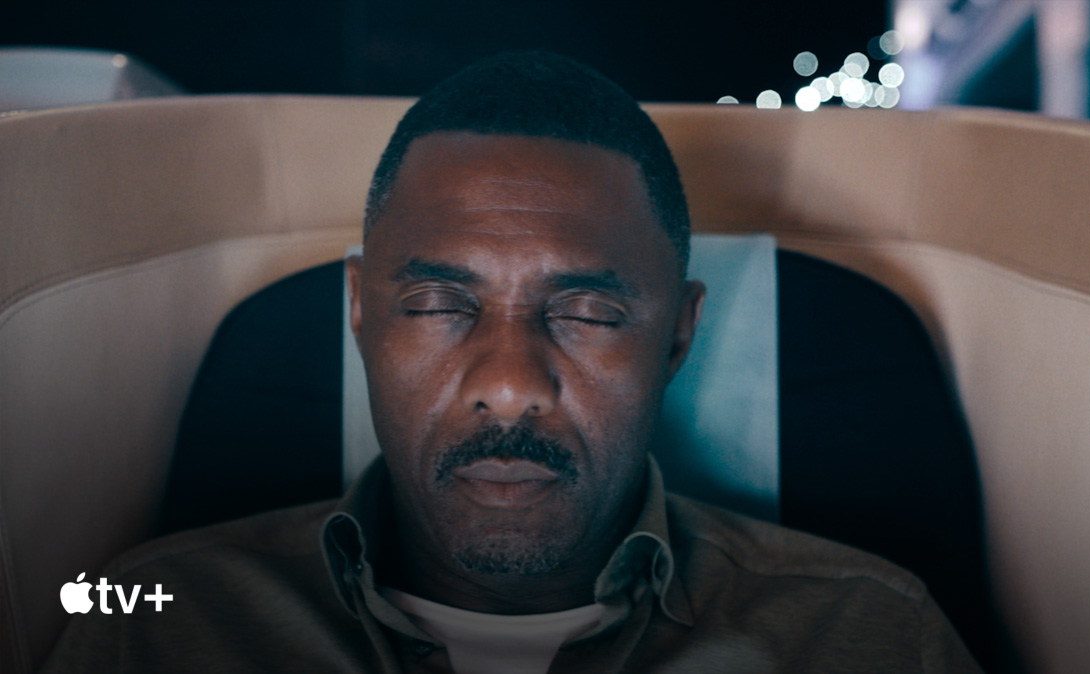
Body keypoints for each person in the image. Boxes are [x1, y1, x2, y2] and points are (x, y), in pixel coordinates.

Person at [42, 51, 981, 673]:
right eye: (439, 305)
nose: (508, 384)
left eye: (587, 313)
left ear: (678, 336)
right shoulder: (153, 621)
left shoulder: (872, 635)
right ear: (360, 311)